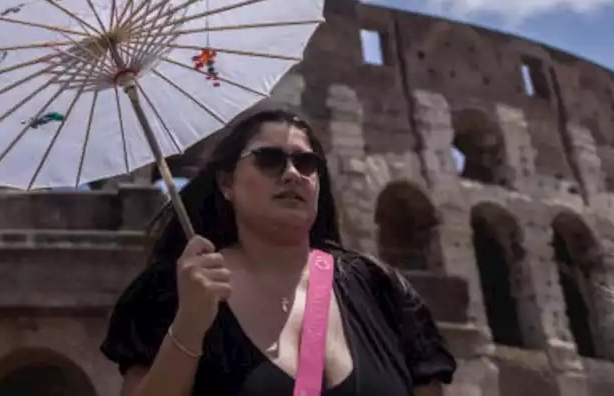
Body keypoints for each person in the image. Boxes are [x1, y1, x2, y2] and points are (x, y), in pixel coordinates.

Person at [101, 107, 456, 395]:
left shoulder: (381, 289)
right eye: (269, 160)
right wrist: (190, 321)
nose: (291, 174)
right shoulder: (171, 292)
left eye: (306, 163)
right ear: (227, 183)